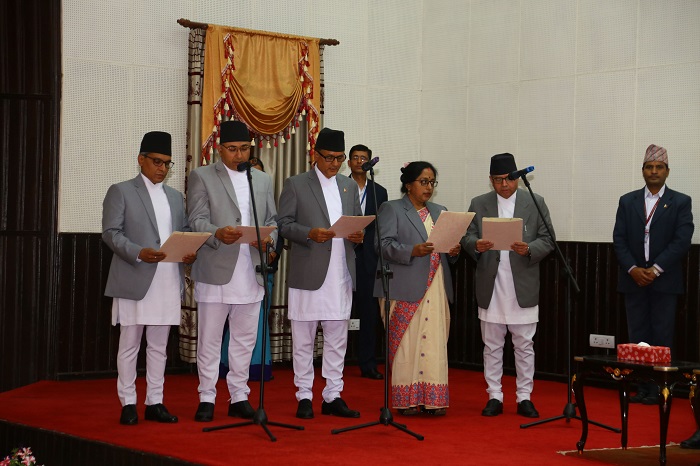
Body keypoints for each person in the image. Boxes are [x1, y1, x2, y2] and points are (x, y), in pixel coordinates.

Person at [103, 131, 196, 425]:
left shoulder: (175, 197)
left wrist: (188, 251)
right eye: (157, 161)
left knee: (158, 346)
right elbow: (111, 233)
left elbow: (182, 233)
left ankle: (155, 402)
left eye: (167, 163)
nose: (162, 168)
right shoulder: (121, 191)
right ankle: (128, 403)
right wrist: (138, 252)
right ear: (140, 159)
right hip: (134, 276)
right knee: (130, 344)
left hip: (167, 279)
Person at [187, 120, 278, 422]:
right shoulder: (202, 176)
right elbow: (196, 220)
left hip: (251, 270)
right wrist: (216, 233)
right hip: (216, 267)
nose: (239, 155)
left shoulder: (262, 179)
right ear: (219, 149)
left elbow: (273, 221)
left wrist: (270, 241)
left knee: (244, 339)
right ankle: (206, 397)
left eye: (244, 149)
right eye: (232, 149)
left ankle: (239, 396)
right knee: (210, 339)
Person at [277, 127, 364, 419]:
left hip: (341, 273)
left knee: (338, 338)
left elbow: (355, 223)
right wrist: (309, 233)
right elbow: (283, 224)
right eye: (329, 157)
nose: (334, 163)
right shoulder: (296, 184)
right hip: (308, 273)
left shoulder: (348, 186)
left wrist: (358, 235)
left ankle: (332, 395)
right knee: (303, 338)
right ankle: (304, 395)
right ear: (315, 155)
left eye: (339, 158)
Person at [462, 153, 555, 418]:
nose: (504, 185)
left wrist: (529, 248)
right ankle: (494, 395)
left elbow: (548, 238)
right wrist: (476, 245)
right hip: (491, 283)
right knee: (491, 345)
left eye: (509, 179)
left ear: (517, 178)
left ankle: (524, 397)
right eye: (497, 180)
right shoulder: (479, 203)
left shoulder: (535, 202)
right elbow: (467, 236)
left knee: (524, 345)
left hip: (522, 283)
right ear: (490, 180)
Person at [374, 161, 460, 416]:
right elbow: (382, 245)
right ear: (408, 184)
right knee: (407, 345)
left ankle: (433, 400)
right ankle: (406, 400)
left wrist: (453, 251)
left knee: (434, 343)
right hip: (403, 286)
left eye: (432, 182)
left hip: (436, 285)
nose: (429, 187)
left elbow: (449, 251)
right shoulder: (391, 209)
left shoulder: (440, 211)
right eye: (423, 182)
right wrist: (412, 250)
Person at [613, 144, 693, 404]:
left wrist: (655, 269)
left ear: (667, 171)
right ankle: (642, 387)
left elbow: (682, 241)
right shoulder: (628, 201)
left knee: (662, 337)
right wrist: (633, 269)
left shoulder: (680, 202)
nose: (654, 171)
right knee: (637, 338)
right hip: (633, 279)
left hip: (665, 280)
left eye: (659, 167)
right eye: (649, 167)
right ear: (643, 170)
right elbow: (619, 239)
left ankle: (660, 389)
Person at [219, 157, 282, 382]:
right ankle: (227, 366)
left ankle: (257, 366)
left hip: (261, 268)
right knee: (232, 323)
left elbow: (275, 226)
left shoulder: (265, 193)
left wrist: (271, 248)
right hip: (228, 267)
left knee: (257, 322)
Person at [347, 144, 388, 380]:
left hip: (369, 259)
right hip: (343, 254)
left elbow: (381, 226)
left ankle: (368, 363)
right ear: (348, 162)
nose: (359, 161)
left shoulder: (379, 191)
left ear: (370, 162)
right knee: (338, 313)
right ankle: (336, 362)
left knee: (369, 313)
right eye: (355, 157)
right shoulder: (339, 186)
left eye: (364, 158)